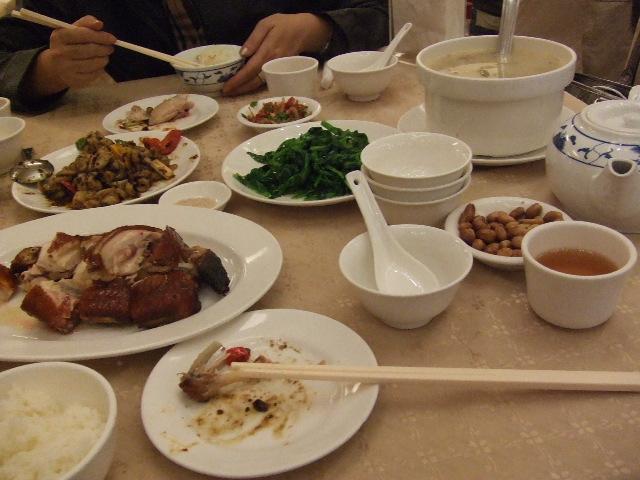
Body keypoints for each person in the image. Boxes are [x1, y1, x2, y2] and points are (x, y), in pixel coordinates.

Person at [0, 0, 389, 111]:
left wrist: (315, 28)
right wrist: (48, 70)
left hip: (298, 112)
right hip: (155, 143)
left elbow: (393, 14)